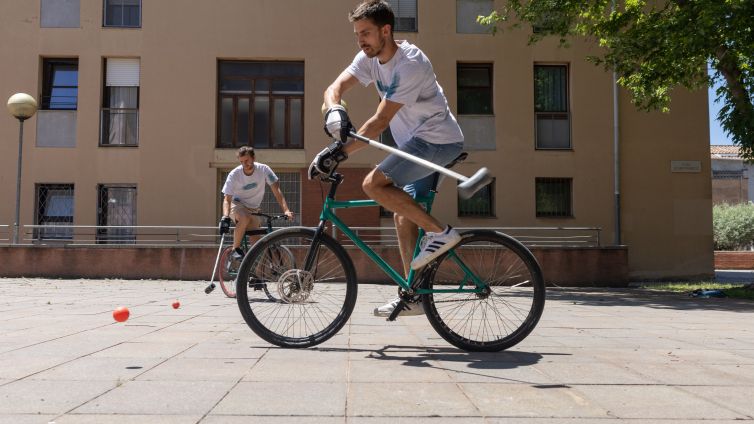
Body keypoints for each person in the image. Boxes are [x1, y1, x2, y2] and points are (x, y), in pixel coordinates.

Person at [311, 0, 465, 317]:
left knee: (373, 184)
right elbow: (334, 87)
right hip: (414, 144)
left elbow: (379, 122)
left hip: (437, 140)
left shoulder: (410, 63)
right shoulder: (369, 58)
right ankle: (416, 295)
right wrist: (334, 109)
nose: (360, 40)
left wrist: (336, 154)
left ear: (386, 30)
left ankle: (441, 234)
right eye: (357, 34)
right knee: (401, 214)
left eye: (365, 33)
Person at [220, 146, 294, 263]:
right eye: (242, 162)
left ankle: (256, 278)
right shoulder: (234, 174)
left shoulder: (264, 170)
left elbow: (277, 191)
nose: (245, 164)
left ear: (253, 158)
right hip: (237, 204)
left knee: (258, 247)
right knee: (244, 217)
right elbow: (227, 199)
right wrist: (225, 217)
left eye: (247, 160)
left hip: (254, 209)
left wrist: (286, 210)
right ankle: (235, 249)